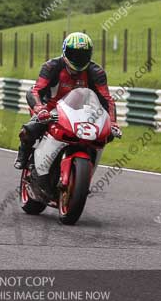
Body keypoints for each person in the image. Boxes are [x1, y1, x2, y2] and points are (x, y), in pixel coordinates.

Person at [14, 32, 121, 186]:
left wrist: (113, 122)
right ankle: (23, 155)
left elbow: (107, 99)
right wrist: (40, 109)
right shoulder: (51, 66)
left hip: (81, 112)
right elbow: (35, 90)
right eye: (74, 53)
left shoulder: (96, 72)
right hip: (50, 109)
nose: (78, 58)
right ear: (65, 51)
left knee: (106, 135)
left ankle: (83, 174)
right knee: (31, 129)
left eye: (82, 54)